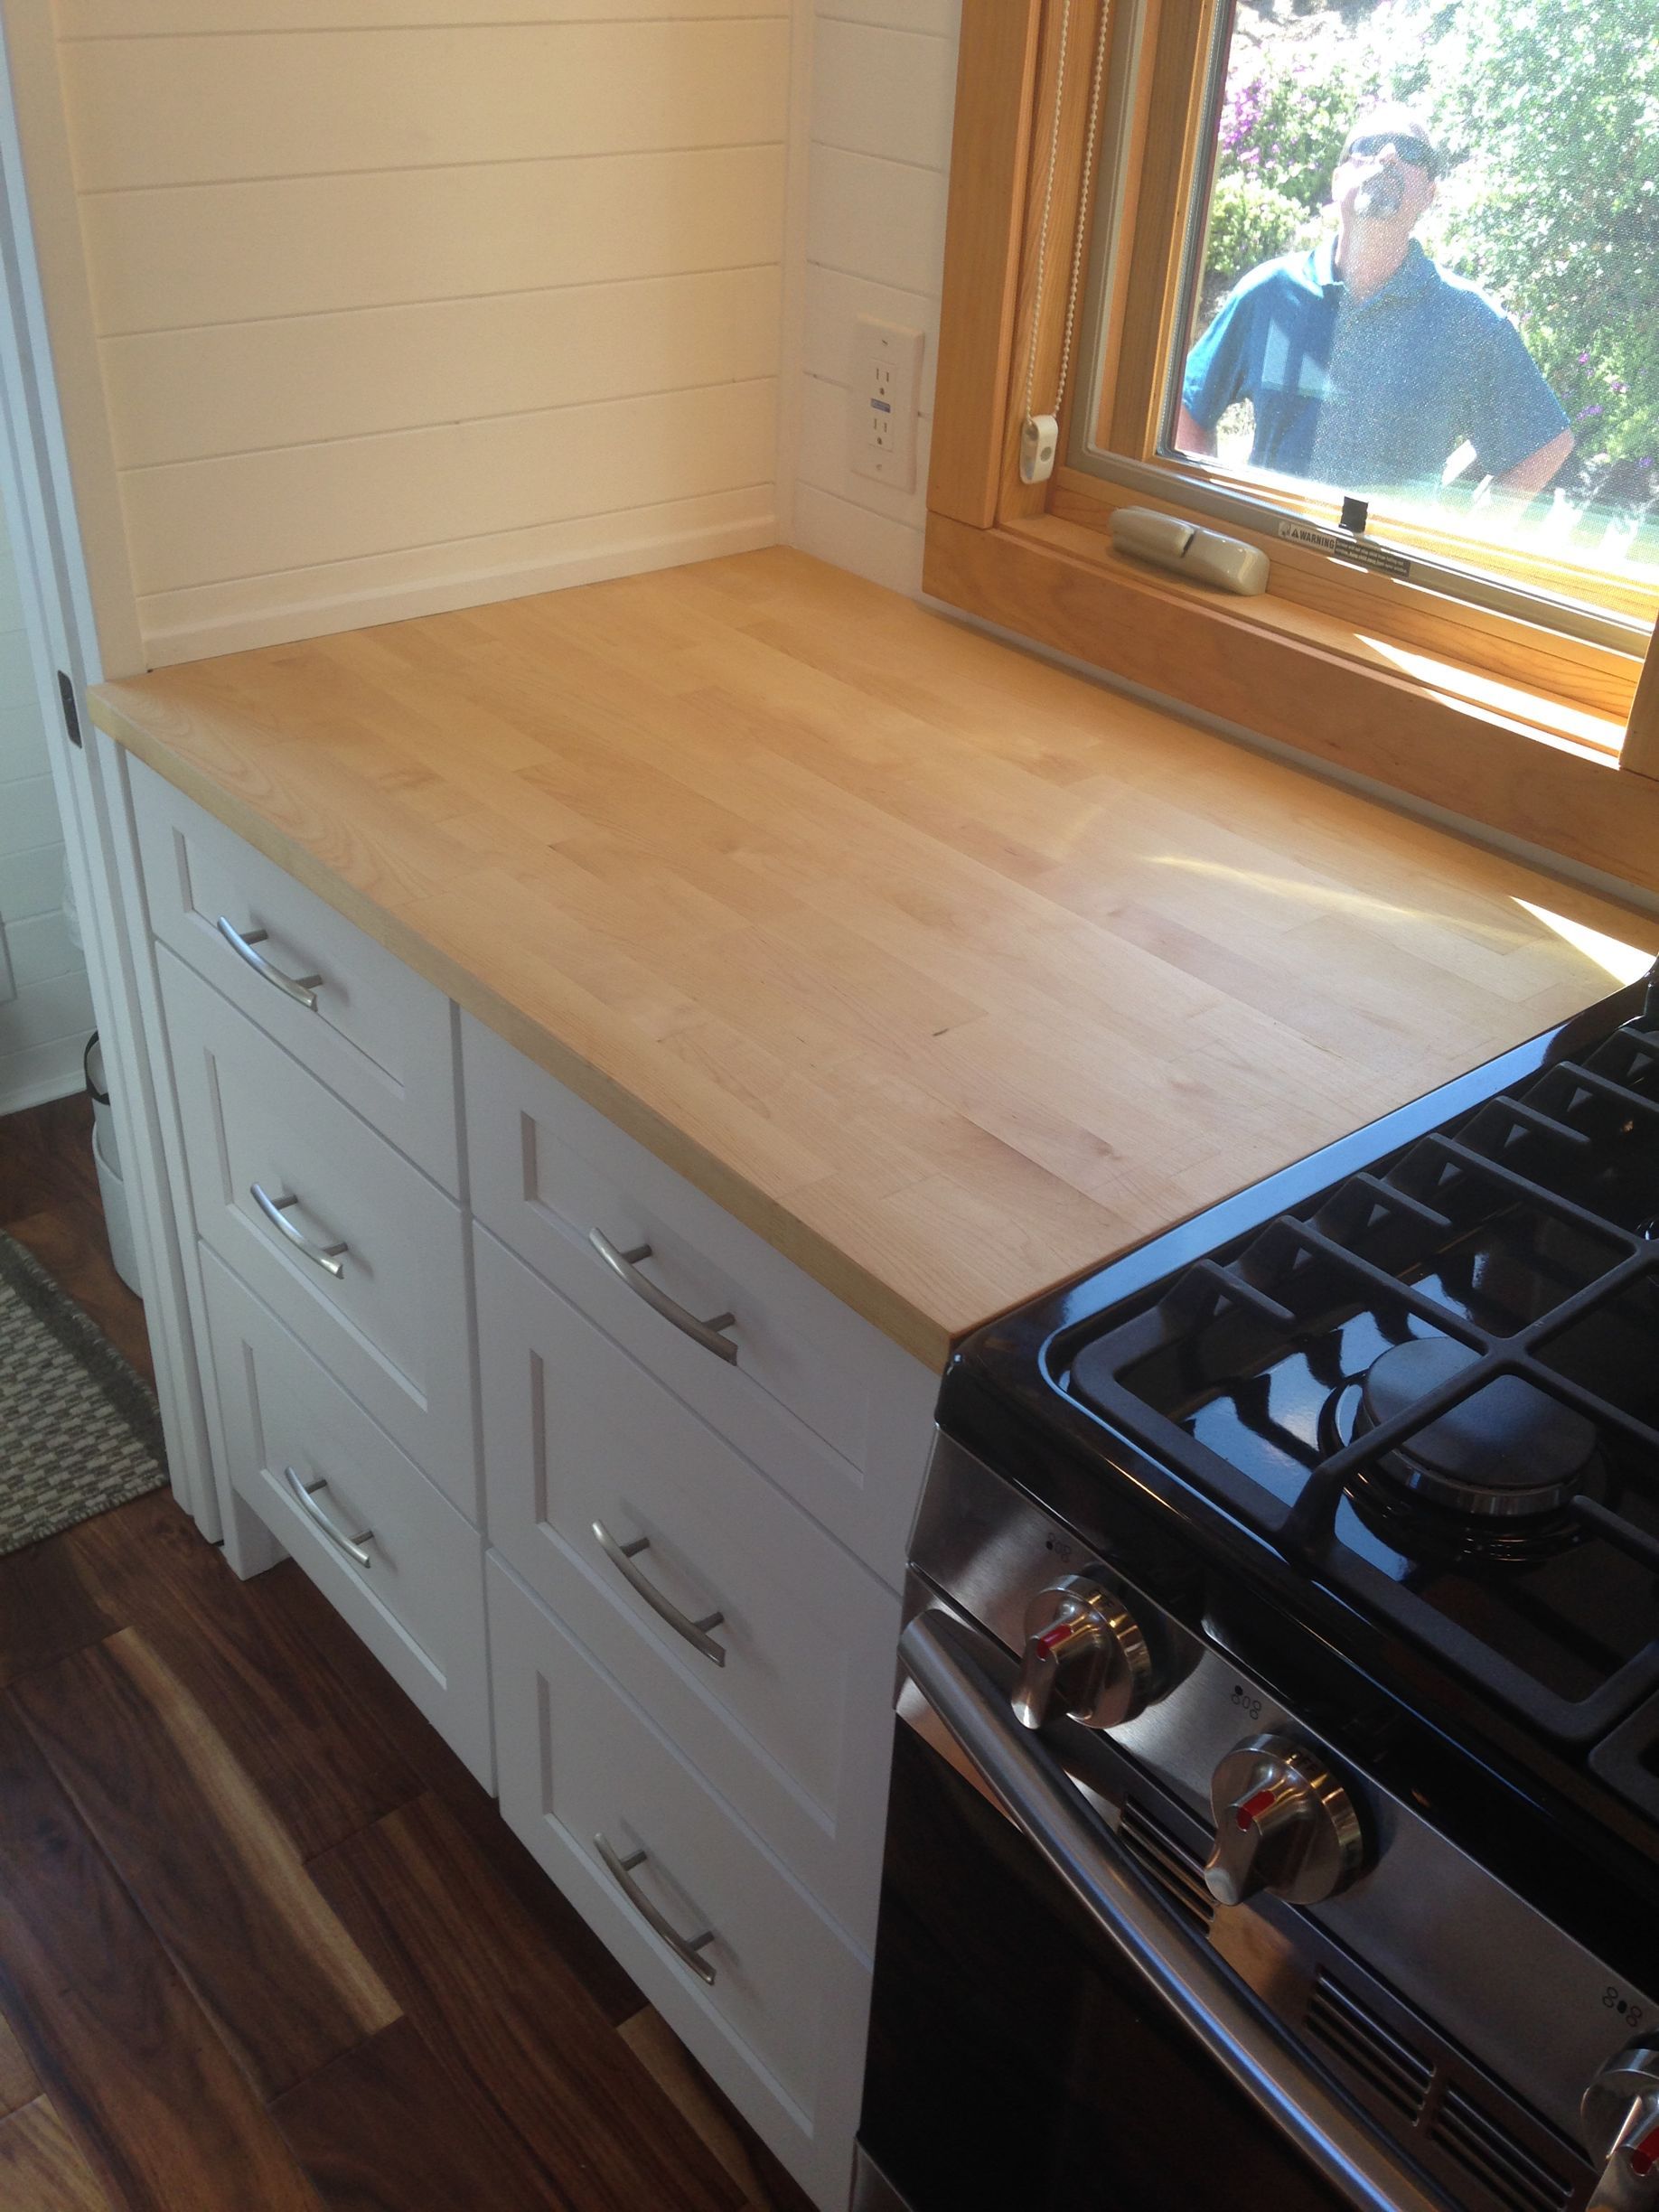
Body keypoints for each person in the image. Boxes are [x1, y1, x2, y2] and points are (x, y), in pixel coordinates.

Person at [1176, 104, 1574, 507]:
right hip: (1272, 554)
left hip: (1384, 566)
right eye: (1367, 147)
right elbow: (1188, 407)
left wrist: (1457, 545)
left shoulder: (1468, 321)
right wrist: (1214, 509)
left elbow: (1545, 445)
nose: (1389, 156)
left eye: (1411, 152)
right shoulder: (1269, 293)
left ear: (1429, 195)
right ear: (1336, 182)